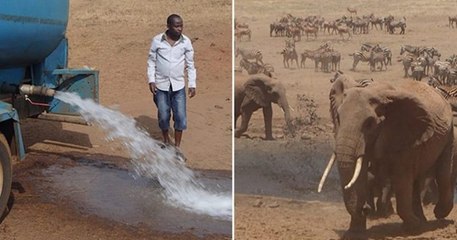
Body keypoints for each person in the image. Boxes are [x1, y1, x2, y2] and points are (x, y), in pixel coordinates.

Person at [147, 14, 196, 155]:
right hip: (161, 85)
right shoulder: (157, 41)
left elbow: (191, 65)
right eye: (176, 26)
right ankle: (166, 141)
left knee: (180, 116)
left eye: (181, 25)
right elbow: (151, 61)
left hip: (178, 85)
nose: (180, 29)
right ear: (168, 26)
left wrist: (192, 84)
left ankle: (177, 146)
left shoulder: (186, 42)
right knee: (163, 115)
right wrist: (151, 80)